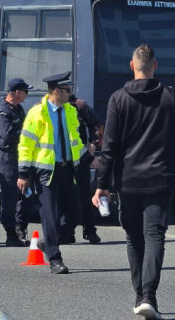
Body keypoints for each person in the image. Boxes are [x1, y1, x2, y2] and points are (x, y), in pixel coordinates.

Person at [93, 44, 175, 320]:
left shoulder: (118, 99)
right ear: (155, 65)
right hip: (160, 178)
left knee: (133, 238)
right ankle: (148, 296)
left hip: (127, 180)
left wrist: (102, 184)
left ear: (132, 66)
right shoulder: (170, 96)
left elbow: (110, 146)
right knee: (154, 235)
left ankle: (140, 294)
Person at [17, 71, 83, 274]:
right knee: (50, 216)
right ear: (57, 91)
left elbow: (75, 140)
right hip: (46, 172)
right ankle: (55, 259)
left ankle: (48, 242)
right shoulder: (37, 113)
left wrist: (88, 158)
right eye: (67, 90)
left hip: (68, 169)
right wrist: (23, 173)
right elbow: (26, 144)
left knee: (74, 214)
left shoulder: (70, 111)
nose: (71, 94)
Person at [0, 78, 33, 247]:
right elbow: (7, 135)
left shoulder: (19, 109)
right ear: (17, 92)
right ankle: (10, 233)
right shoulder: (2, 112)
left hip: (22, 156)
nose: (27, 94)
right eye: (26, 91)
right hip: (8, 159)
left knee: (27, 194)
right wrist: (24, 133)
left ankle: (20, 228)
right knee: (10, 197)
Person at [70, 94, 103, 244]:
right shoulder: (50, 107)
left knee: (84, 195)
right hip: (60, 160)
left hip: (81, 158)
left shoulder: (80, 106)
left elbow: (96, 125)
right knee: (65, 196)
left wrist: (93, 144)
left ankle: (89, 230)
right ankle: (67, 231)